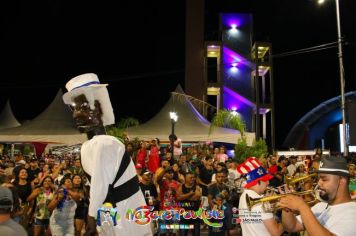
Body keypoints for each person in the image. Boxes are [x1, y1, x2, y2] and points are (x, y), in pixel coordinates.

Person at [62, 73, 151, 235]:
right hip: (110, 211)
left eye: (83, 107)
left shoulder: (105, 143)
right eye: (75, 108)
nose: (76, 114)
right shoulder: (90, 145)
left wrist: (90, 216)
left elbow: (100, 186)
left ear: (99, 109)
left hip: (125, 212)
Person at [279, 155, 356, 236]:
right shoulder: (320, 206)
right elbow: (291, 227)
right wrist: (286, 205)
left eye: (324, 179)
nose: (319, 183)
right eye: (319, 179)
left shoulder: (352, 212)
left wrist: (302, 207)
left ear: (342, 181)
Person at [237, 157, 284, 236]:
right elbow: (276, 232)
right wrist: (288, 221)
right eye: (265, 180)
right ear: (258, 181)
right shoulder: (262, 203)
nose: (268, 182)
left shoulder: (243, 196)